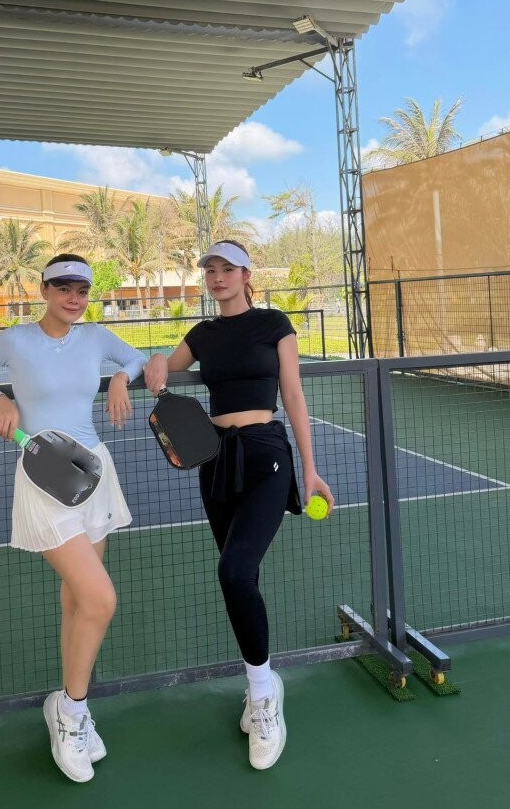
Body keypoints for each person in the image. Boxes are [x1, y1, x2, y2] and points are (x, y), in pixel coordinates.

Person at [0, 254, 145, 784]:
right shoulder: (16, 340)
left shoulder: (96, 337)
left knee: (78, 600)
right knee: (100, 598)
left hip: (93, 470)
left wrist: (121, 378)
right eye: (63, 287)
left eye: (81, 289)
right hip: (44, 476)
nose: (74, 298)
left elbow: (138, 357)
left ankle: (66, 703)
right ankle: (72, 712)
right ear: (43, 291)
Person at [143, 240, 335, 771]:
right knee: (238, 578)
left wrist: (310, 469)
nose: (217, 277)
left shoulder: (274, 323)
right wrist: (154, 359)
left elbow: (293, 395)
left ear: (246, 275)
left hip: (267, 454)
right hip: (216, 461)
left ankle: (264, 695)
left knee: (234, 570)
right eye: (210, 269)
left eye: (227, 268)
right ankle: (259, 683)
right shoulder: (202, 334)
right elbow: (163, 367)